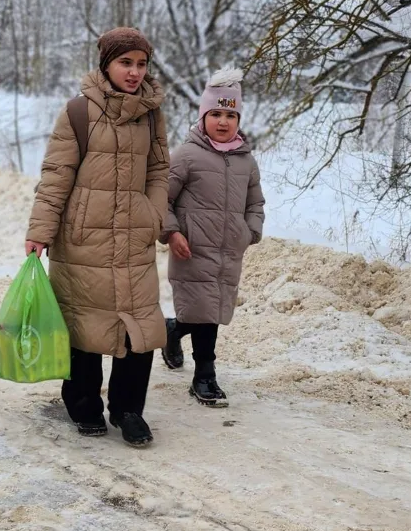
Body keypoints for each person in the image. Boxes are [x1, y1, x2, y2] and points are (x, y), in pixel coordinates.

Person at [25, 27, 170, 447]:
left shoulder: (151, 112)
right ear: (106, 64)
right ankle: (83, 404)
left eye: (141, 64)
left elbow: (160, 169)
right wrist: (40, 231)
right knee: (83, 322)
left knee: (140, 324)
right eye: (126, 62)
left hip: (133, 235)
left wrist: (154, 214)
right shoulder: (78, 112)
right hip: (83, 236)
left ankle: (128, 410)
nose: (134, 72)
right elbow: (56, 176)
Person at [159, 65, 265, 408]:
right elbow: (163, 199)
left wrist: (250, 232)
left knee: (209, 310)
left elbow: (255, 203)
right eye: (216, 113)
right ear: (203, 116)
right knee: (204, 312)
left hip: (227, 252)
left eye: (230, 114)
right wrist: (172, 232)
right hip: (191, 249)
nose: (223, 121)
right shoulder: (187, 155)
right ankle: (204, 376)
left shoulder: (246, 162)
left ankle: (173, 331)